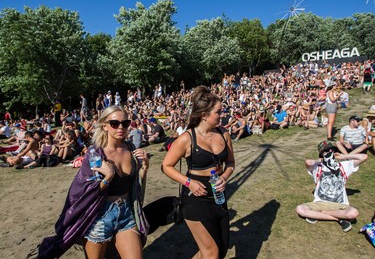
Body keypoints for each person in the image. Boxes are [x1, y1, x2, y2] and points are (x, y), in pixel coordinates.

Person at [38, 105, 149, 259]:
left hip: (126, 213)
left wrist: (144, 168)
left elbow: (135, 184)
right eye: (115, 123)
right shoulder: (95, 154)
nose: (121, 127)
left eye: (125, 123)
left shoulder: (130, 148)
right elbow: (84, 192)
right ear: (104, 125)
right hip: (99, 217)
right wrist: (108, 178)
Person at [162, 86, 235, 259]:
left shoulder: (223, 133)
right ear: (204, 114)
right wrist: (189, 182)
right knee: (211, 252)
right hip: (195, 197)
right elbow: (166, 166)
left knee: (221, 249)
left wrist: (224, 176)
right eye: (218, 112)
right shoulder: (187, 138)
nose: (222, 114)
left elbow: (230, 162)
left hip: (218, 194)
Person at [295, 140, 368, 232]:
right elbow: (308, 162)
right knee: (300, 209)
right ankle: (339, 219)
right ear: (321, 154)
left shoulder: (343, 166)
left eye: (331, 150)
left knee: (353, 213)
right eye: (326, 151)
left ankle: (318, 214)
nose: (329, 152)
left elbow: (364, 157)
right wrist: (321, 160)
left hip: (340, 205)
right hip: (320, 203)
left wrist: (343, 157)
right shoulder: (317, 167)